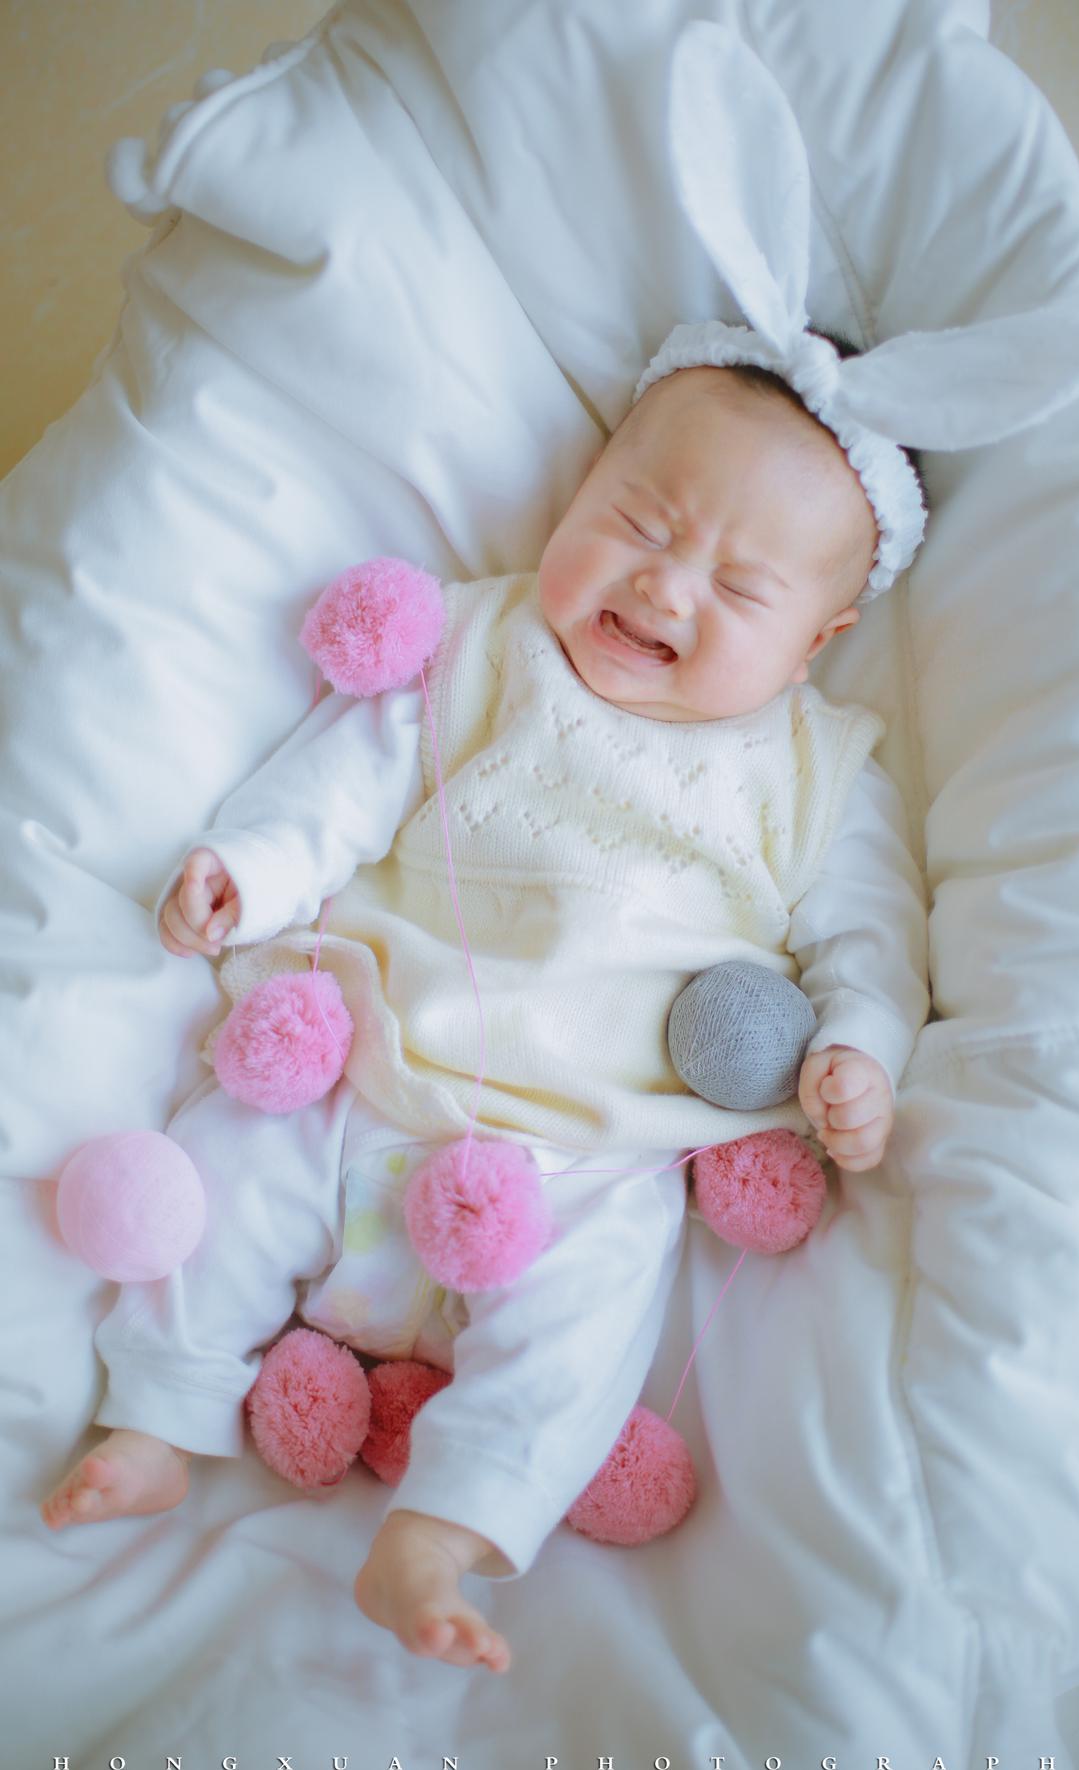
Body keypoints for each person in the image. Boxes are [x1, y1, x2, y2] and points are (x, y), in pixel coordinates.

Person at [40, 337, 929, 1677]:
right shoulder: (482, 644)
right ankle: (160, 1418)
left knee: (589, 1326)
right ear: (579, 495)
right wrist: (252, 868)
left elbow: (873, 934)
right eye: (639, 521)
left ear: (817, 643)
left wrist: (862, 1042)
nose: (664, 583)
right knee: (231, 1168)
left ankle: (446, 1527)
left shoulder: (818, 771)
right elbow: (340, 787)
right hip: (377, 1063)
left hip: (587, 1153)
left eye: (739, 586)